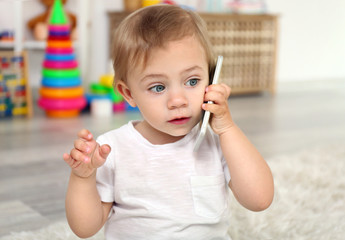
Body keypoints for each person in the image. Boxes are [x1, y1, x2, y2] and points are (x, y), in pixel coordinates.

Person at [63, 4, 274, 240]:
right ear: (129, 93)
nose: (178, 100)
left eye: (192, 81)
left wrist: (227, 129)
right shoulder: (111, 149)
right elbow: (84, 228)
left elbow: (260, 199)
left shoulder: (217, 142)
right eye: (158, 87)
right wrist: (83, 178)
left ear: (212, 77)